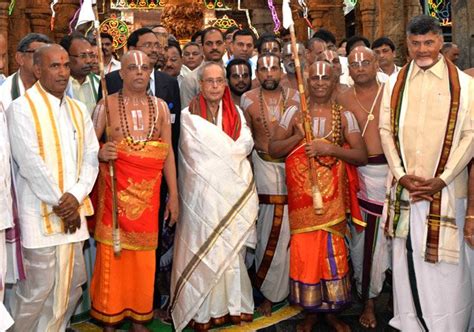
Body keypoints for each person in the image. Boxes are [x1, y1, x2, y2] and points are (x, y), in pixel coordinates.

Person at [380, 15, 473, 331]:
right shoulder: (394, 84)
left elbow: (470, 137)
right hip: (407, 191)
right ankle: (412, 326)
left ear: (440, 42)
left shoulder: (465, 86)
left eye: (429, 43)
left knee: (446, 272)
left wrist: (441, 179)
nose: (422, 50)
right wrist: (401, 174)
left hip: (446, 194)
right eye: (416, 43)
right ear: (407, 44)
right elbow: (385, 131)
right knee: (407, 268)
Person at [269, 61, 367, 332]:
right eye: (315, 78)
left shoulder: (344, 116)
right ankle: (310, 313)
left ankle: (333, 313)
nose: (320, 82)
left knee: (332, 257)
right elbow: (273, 147)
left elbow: (360, 155)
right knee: (305, 256)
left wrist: (330, 149)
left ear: (334, 80)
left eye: (326, 77)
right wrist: (297, 138)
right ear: (307, 81)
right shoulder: (293, 113)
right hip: (302, 203)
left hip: (333, 202)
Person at [7, 43, 99, 331]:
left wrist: (75, 196)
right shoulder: (20, 108)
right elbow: (30, 163)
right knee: (38, 288)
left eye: (65, 65)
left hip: (73, 211)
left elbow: (91, 156)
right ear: (37, 69)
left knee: (73, 283)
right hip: (40, 211)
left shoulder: (78, 109)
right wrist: (63, 203)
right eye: (54, 66)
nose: (62, 72)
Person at [90, 50, 178, 331]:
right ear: (122, 73)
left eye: (145, 68)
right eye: (133, 68)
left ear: (150, 72)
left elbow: (167, 155)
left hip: (148, 203)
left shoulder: (162, 108)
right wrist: (102, 153)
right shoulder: (106, 105)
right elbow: (86, 151)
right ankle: (110, 318)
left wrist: (174, 196)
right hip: (114, 201)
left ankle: (141, 317)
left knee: (143, 262)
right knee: (113, 261)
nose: (140, 72)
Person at [171, 62, 258, 331]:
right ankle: (202, 310)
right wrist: (225, 157)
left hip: (231, 195)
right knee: (204, 247)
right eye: (209, 81)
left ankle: (235, 306)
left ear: (225, 84)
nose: (215, 86)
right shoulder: (188, 115)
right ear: (200, 84)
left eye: (219, 81)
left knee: (231, 254)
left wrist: (223, 159)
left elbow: (245, 144)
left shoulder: (238, 114)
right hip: (203, 197)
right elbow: (195, 157)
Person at [241, 53, 299, 317]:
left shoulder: (297, 99)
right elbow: (245, 140)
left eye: (273, 68)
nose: (268, 74)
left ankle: (288, 289)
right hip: (261, 166)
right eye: (263, 69)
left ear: (281, 72)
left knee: (291, 232)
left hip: (291, 167)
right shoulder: (248, 100)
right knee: (267, 231)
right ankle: (267, 292)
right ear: (257, 74)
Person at [337, 46, 390, 329]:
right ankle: (367, 301)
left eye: (365, 62)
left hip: (394, 176)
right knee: (363, 243)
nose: (359, 67)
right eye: (354, 63)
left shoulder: (392, 93)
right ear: (349, 69)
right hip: (359, 175)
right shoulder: (342, 98)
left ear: (376, 64)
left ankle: (400, 299)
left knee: (394, 242)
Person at [0, 33, 52, 111]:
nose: (1, 65)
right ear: (20, 58)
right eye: (38, 55)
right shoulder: (4, 92)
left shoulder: (57, 90)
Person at [180, 27, 226, 108]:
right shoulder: (191, 79)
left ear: (224, 45)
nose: (214, 47)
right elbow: (187, 115)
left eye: (218, 43)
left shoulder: (231, 74)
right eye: (209, 43)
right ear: (201, 48)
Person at [60, 33, 99, 115]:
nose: (89, 60)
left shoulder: (100, 83)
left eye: (91, 55)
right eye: (82, 56)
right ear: (66, 56)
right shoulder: (58, 85)